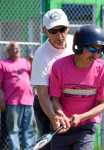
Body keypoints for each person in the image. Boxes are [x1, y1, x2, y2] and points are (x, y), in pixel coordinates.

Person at [48, 25, 104, 149]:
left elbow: (103, 105)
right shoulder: (58, 67)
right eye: (92, 49)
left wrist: (81, 117)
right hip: (63, 126)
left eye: (100, 51)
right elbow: (55, 100)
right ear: (78, 47)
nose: (96, 55)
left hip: (86, 126)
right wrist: (60, 114)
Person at [31, 8, 73, 149]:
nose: (59, 35)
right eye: (53, 31)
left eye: (62, 29)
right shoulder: (41, 55)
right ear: (44, 31)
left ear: (68, 27)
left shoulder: (76, 43)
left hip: (70, 101)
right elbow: (42, 94)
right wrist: (53, 116)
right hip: (46, 104)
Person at [0, 42, 36, 150]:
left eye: (17, 48)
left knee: (29, 130)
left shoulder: (26, 62)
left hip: (28, 101)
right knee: (13, 130)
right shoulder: (3, 64)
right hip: (12, 102)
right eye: (12, 48)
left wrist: (32, 62)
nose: (15, 49)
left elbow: (34, 76)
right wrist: (1, 99)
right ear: (8, 51)